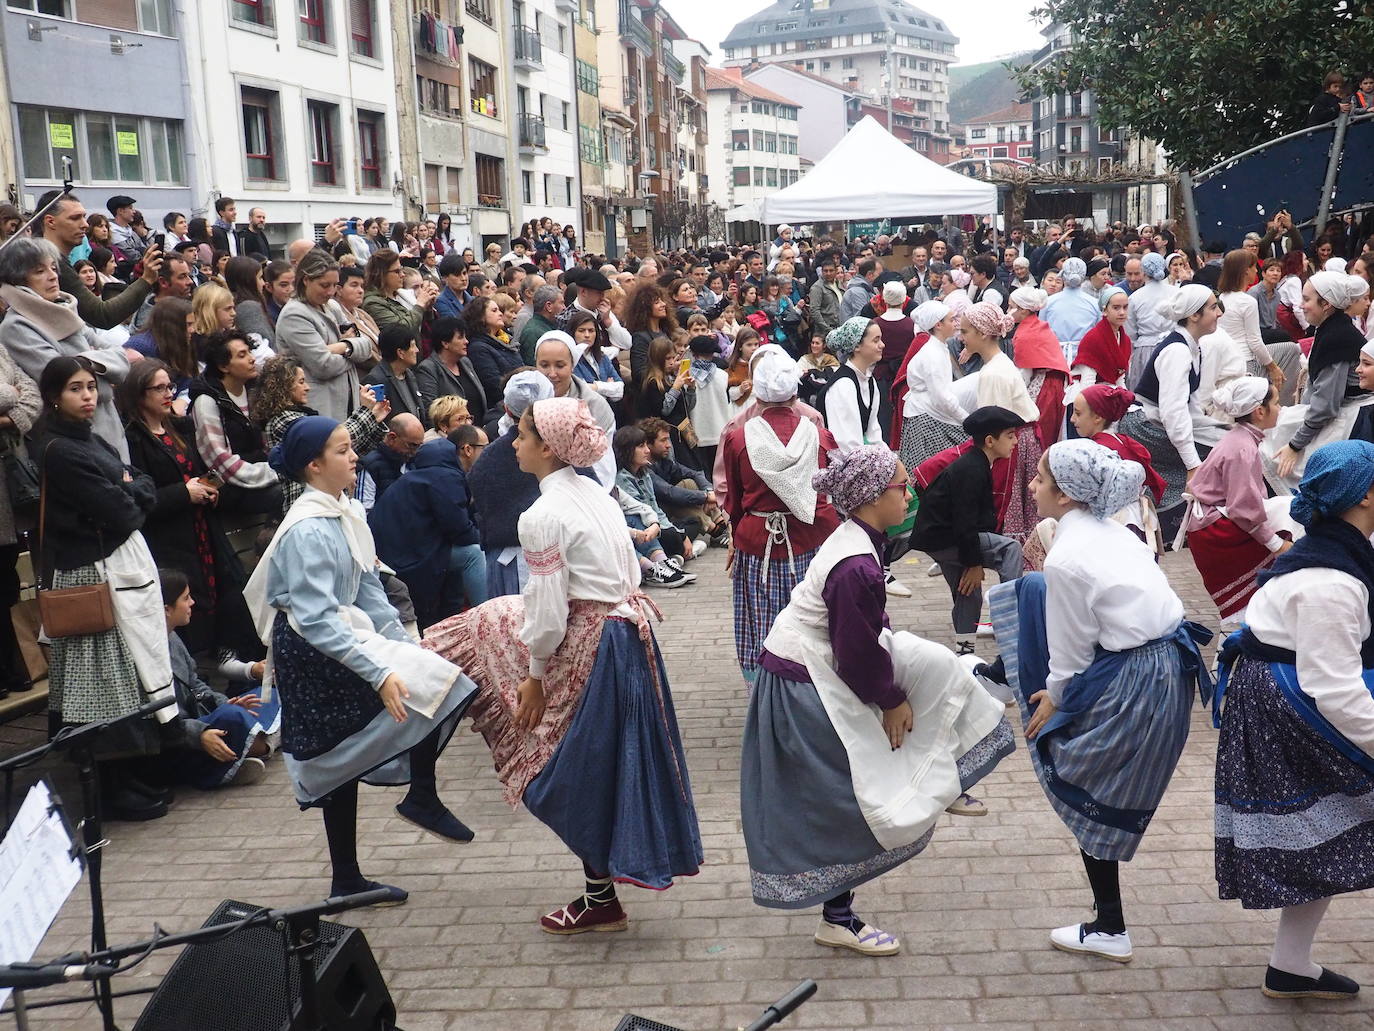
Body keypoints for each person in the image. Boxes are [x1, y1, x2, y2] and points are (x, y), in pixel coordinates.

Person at [423, 398, 703, 932]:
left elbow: (548, 611)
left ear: (548, 448)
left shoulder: (543, 514)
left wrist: (532, 676)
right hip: (625, 637)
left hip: (594, 645)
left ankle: (600, 898)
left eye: (522, 435)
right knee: (598, 767)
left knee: (568, 772)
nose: (513, 443)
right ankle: (600, 896)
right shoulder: (592, 494)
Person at [741, 443, 1014, 955]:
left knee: (938, 668)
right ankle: (838, 918)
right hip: (804, 682)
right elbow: (856, 651)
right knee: (846, 797)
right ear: (870, 498)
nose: (910, 496)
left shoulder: (862, 541)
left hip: (812, 669)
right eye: (902, 488)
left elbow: (863, 633)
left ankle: (938, 775)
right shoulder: (855, 564)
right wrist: (889, 699)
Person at [986, 438, 1212, 963]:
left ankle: (1110, 927)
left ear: (1065, 496)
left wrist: (1055, 697)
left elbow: (1069, 647)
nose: (1032, 486)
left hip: (1138, 676)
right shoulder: (1114, 530)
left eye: (1040, 479)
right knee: (1094, 776)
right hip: (1161, 666)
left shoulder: (1067, 556)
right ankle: (1109, 920)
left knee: (1082, 771)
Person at [243, 416, 477, 902]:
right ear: (313, 465)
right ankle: (349, 875)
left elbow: (370, 589)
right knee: (336, 755)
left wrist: (404, 646)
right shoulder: (309, 529)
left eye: (352, 448)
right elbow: (315, 619)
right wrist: (381, 670)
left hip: (337, 635)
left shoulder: (344, 511)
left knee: (435, 678)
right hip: (312, 650)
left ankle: (419, 798)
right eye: (343, 450)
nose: (355, 457)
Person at [1213, 439, 1374, 1001]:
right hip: (1293, 707)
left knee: (1325, 831)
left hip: (1281, 697)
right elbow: (1336, 688)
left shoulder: (1330, 551)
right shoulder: (1330, 580)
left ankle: (1290, 964)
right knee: (1331, 824)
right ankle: (1289, 963)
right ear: (1367, 497)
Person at [37, 356, 175, 822]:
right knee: (101, 686)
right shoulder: (58, 448)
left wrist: (128, 488)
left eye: (91, 387)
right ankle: (107, 789)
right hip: (90, 574)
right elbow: (122, 510)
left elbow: (142, 486)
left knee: (125, 681)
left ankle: (127, 776)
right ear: (55, 395)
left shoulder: (89, 438)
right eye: (76, 389)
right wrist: (129, 491)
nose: (88, 396)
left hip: (117, 564)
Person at [119, 358, 257, 660]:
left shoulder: (178, 429)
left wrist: (209, 489)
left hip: (202, 531)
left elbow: (196, 471)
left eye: (169, 386)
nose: (168, 393)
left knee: (219, 600)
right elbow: (141, 498)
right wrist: (184, 493)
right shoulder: (132, 438)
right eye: (159, 388)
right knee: (185, 614)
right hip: (169, 539)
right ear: (140, 394)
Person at [720, 348, 841, 683]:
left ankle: (765, 693)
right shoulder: (817, 433)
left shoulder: (738, 436)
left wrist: (735, 534)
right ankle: (813, 687)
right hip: (812, 541)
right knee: (813, 619)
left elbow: (734, 501)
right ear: (795, 391)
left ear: (757, 392)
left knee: (761, 622)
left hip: (758, 542)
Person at [0, 236, 132, 459]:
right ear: (19, 280)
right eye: (39, 271)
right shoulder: (16, 327)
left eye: (53, 267)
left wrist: (85, 362)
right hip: (74, 444)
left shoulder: (65, 312)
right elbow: (63, 381)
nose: (52, 275)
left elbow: (122, 357)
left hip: (109, 430)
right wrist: (101, 370)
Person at [910, 406, 1027, 655]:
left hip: (940, 540)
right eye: (1009, 435)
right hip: (946, 539)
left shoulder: (977, 462)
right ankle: (1012, 622)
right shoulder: (971, 468)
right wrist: (973, 563)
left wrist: (971, 563)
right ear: (990, 441)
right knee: (1011, 549)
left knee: (968, 594)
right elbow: (965, 522)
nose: (1015, 441)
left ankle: (965, 655)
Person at [1118, 284, 1228, 541]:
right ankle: (1191, 521)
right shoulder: (1177, 351)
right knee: (1219, 454)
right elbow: (1173, 413)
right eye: (1213, 307)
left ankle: (1188, 518)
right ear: (1194, 316)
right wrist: (1192, 464)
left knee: (1225, 439)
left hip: (1156, 420)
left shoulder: (1192, 346)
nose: (1219, 313)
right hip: (1143, 426)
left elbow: (1188, 405)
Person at [1184, 378, 1296, 627]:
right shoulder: (1242, 448)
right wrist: (1276, 544)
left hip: (1212, 523)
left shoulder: (1240, 439)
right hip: (1215, 531)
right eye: (1276, 403)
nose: (1281, 408)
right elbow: (1243, 509)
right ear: (1259, 411)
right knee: (1263, 590)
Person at [154, 568, 271, 789]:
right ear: (167, 609)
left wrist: (222, 701)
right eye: (186, 598)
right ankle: (249, 752)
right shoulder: (148, 653)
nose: (192, 603)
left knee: (264, 697)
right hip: (180, 737)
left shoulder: (173, 638)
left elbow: (195, 683)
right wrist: (200, 734)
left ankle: (252, 748)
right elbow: (163, 719)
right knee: (233, 716)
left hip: (202, 715)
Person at [1266, 273, 1374, 490]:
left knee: (1279, 460)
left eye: (1306, 299)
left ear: (1326, 304)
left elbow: (1326, 407)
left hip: (1352, 420)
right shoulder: (1332, 329)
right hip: (1343, 413)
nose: (1301, 305)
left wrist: (1295, 445)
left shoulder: (1337, 338)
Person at [369, 438, 487, 629]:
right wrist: (488, 539)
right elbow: (460, 531)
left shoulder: (413, 477)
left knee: (460, 557)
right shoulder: (445, 478)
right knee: (474, 554)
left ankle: (457, 616)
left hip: (392, 556)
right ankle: (488, 619)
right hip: (410, 560)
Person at [951, 303, 1041, 547]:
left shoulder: (994, 372)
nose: (961, 337)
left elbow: (993, 424)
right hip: (1015, 439)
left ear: (982, 334)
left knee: (1010, 505)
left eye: (966, 331)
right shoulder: (998, 364)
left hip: (1011, 443)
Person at [256, 356, 389, 515]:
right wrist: (366, 412)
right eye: (301, 382)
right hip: (309, 509)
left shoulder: (305, 417)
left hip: (329, 502)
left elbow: (343, 450)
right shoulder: (282, 421)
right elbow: (334, 440)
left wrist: (374, 419)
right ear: (282, 386)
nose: (307, 387)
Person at [466, 371, 554, 597]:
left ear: (506, 408)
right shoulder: (561, 451)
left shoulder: (486, 459)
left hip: (504, 560)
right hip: (539, 559)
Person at [1060, 384, 1165, 555]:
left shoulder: (1098, 452)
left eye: (1078, 413)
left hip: (1117, 523)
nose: (1072, 419)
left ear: (1097, 417)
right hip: (1135, 519)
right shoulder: (1120, 441)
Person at [276, 251, 375, 422]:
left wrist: (342, 347)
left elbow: (367, 346)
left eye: (335, 285)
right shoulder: (294, 315)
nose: (330, 292)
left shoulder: (332, 306)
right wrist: (351, 349)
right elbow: (324, 365)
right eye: (324, 285)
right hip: (320, 407)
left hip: (347, 402)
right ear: (306, 280)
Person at [190, 331, 282, 516]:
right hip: (228, 488)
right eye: (242, 355)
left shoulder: (253, 391)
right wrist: (276, 472)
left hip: (262, 473)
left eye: (249, 352)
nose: (251, 359)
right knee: (285, 493)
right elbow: (220, 463)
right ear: (224, 366)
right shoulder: (207, 401)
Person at [534, 330, 617, 488]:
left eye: (560, 365)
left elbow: (602, 468)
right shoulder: (525, 398)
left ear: (572, 365)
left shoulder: (595, 406)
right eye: (544, 365)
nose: (552, 374)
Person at [895, 300, 966, 470]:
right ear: (938, 325)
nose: (955, 323)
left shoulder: (938, 347)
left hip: (926, 412)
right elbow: (941, 396)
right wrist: (966, 419)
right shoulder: (932, 353)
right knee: (930, 471)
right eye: (951, 320)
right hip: (926, 417)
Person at [415, 317, 487, 427]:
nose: (466, 341)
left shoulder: (465, 362)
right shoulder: (428, 369)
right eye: (460, 338)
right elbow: (430, 412)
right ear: (445, 343)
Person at [1124, 253, 1175, 388]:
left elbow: (1130, 331)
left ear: (1144, 271)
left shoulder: (1135, 298)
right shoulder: (1176, 292)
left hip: (1145, 349)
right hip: (1173, 346)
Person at [365, 325, 430, 427]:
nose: (417, 350)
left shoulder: (409, 374)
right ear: (400, 353)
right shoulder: (376, 380)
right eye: (413, 346)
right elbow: (376, 421)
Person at [362, 249, 438, 334]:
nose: (402, 275)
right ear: (381, 274)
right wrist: (420, 305)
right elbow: (401, 331)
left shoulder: (402, 294)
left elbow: (423, 328)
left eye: (401, 269)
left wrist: (427, 308)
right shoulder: (373, 303)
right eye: (397, 271)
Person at [1073, 286, 1132, 388]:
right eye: (1116, 308)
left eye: (1125, 307)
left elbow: (1119, 378)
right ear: (1104, 310)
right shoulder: (1092, 339)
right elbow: (1087, 382)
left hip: (1111, 390)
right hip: (1088, 392)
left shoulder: (1125, 340)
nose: (1122, 312)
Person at [1041, 258, 1101, 345]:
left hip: (1055, 352)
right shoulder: (1094, 303)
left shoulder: (1049, 302)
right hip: (1085, 353)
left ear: (1063, 276)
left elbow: (1042, 331)